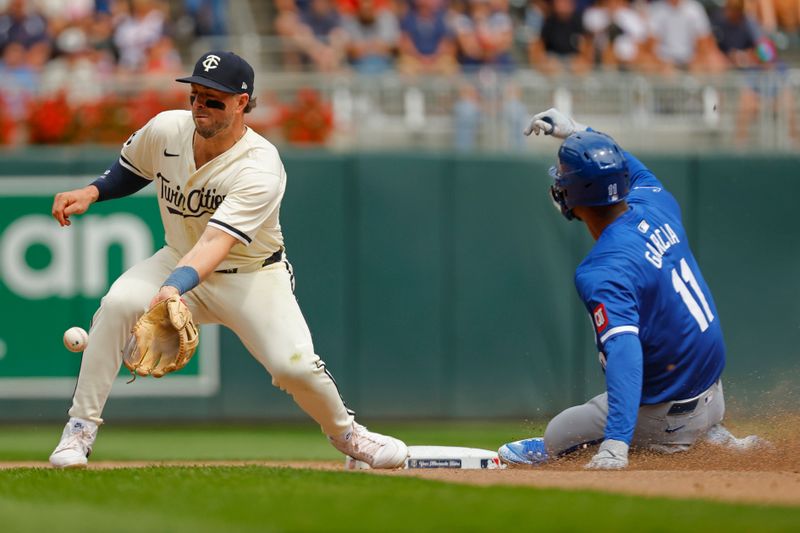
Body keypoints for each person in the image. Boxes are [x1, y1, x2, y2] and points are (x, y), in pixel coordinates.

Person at [48, 50, 408, 470]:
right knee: (118, 305)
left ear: (242, 102)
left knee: (294, 368)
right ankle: (79, 430)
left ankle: (349, 435)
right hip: (178, 257)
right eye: (196, 95)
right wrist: (92, 192)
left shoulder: (260, 165)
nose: (200, 105)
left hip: (251, 276)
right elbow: (130, 169)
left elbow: (216, 243)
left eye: (214, 99)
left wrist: (172, 288)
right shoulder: (167, 129)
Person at [498, 108, 763, 469]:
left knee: (557, 436)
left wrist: (616, 443)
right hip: (714, 396)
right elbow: (627, 167)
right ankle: (710, 436)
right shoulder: (656, 203)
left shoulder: (602, 269)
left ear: (572, 196)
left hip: (666, 415)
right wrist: (579, 131)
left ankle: (673, 442)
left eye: (562, 177)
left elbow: (624, 351)